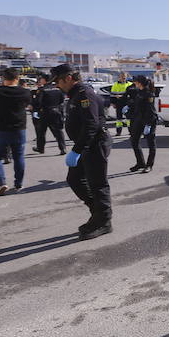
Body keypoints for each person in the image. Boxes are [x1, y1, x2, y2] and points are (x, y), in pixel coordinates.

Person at [51, 63, 114, 240]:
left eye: (58, 81)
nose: (57, 85)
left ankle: (104, 222)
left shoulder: (84, 94)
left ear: (68, 78)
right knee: (74, 179)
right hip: (85, 145)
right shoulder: (74, 95)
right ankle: (98, 214)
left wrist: (77, 150)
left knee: (98, 184)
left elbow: (91, 124)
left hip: (95, 144)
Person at [0, 68, 32, 196]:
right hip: (18, 129)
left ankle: (1, 183)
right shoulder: (25, 92)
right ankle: (18, 183)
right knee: (19, 156)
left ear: (3, 78)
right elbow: (28, 105)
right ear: (17, 78)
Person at [128, 75, 159, 173]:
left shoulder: (149, 94)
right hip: (139, 120)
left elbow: (150, 110)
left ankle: (149, 165)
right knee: (134, 141)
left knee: (151, 143)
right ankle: (140, 163)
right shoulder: (139, 92)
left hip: (149, 121)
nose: (134, 84)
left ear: (140, 83)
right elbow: (137, 107)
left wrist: (149, 124)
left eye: (135, 82)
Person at [31, 73, 67, 155]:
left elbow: (38, 102)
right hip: (56, 112)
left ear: (44, 80)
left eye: (41, 79)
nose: (40, 80)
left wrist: (35, 109)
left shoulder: (42, 90)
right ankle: (63, 148)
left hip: (45, 112)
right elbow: (62, 100)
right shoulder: (57, 89)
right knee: (58, 131)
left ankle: (40, 148)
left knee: (41, 131)